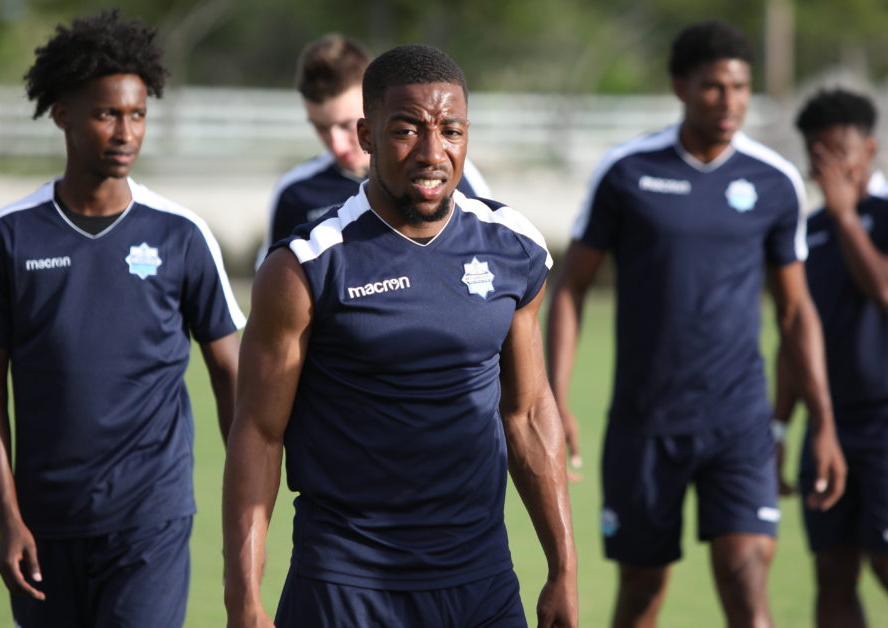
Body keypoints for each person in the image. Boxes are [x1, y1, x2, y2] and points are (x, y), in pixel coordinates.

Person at [224, 44, 577, 627]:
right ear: (366, 134)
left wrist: (562, 568)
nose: (432, 152)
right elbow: (258, 434)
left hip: (481, 584)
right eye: (407, 130)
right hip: (345, 587)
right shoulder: (306, 266)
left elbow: (530, 413)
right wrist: (244, 597)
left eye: (451, 131)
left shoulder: (514, 247)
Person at [546, 20, 846, 627]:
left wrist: (824, 422)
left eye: (740, 87)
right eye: (714, 87)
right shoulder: (627, 171)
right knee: (640, 595)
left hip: (738, 423)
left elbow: (795, 311)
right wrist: (558, 397)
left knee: (746, 586)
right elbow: (571, 288)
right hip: (645, 423)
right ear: (681, 86)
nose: (730, 101)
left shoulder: (774, 181)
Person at [0, 10, 244, 626]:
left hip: (151, 518)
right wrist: (7, 518)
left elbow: (230, 371)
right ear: (61, 113)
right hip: (42, 524)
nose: (125, 132)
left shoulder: (182, 234)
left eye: (137, 114)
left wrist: (248, 503)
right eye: (106, 113)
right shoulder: (8, 237)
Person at [778, 88, 888, 627]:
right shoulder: (805, 234)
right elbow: (792, 335)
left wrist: (845, 216)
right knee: (833, 573)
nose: (827, 169)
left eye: (839, 153)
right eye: (817, 156)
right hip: (828, 424)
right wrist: (778, 428)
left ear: (870, 149)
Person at [257, 34, 491, 263]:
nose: (337, 145)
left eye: (346, 125)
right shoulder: (295, 192)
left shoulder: (450, 172)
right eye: (322, 128)